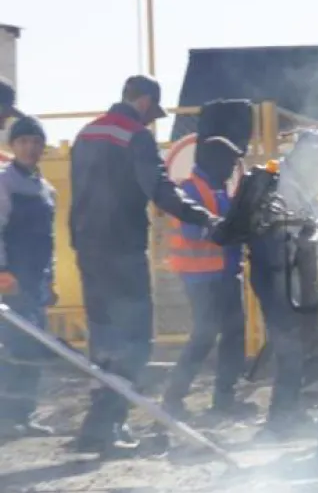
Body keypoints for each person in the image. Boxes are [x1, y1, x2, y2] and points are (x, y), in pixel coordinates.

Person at [69, 75, 223, 457]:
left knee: (104, 340)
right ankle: (100, 426)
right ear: (145, 102)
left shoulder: (86, 134)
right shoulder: (134, 135)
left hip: (88, 250)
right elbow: (158, 189)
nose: (151, 120)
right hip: (122, 250)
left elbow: (79, 194)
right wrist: (203, 216)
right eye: (152, 112)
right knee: (136, 340)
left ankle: (107, 425)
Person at [247, 128, 318, 440]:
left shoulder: (283, 173)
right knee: (289, 347)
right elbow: (293, 230)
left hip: (281, 272)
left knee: (295, 342)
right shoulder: (283, 181)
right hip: (277, 273)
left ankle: (291, 413)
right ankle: (279, 422)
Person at [160, 136, 257, 421]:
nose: (232, 168)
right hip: (201, 277)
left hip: (224, 274)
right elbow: (194, 232)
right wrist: (229, 229)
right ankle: (174, 397)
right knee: (204, 336)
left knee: (232, 335)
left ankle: (224, 399)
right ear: (212, 161)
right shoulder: (190, 190)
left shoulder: (217, 190)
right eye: (229, 162)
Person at [0, 115, 58, 438]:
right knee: (12, 349)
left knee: (33, 348)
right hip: (11, 280)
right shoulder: (3, 183)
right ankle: (6, 418)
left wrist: (49, 281)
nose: (30, 148)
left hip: (35, 281)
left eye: (36, 142)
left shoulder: (46, 189)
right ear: (13, 146)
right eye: (23, 141)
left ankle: (24, 414)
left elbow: (48, 239)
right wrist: (2, 271)